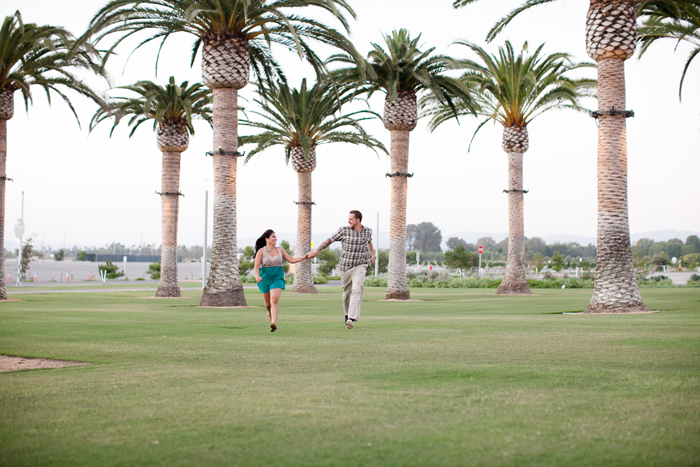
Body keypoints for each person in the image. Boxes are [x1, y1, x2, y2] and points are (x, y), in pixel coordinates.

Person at [307, 210, 375, 329]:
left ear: (358, 220)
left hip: (361, 265)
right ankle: (347, 314)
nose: (348, 221)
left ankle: (351, 318)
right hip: (345, 267)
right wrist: (316, 251)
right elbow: (329, 240)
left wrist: (373, 255)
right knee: (346, 294)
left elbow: (369, 242)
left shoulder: (368, 231)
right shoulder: (344, 230)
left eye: (351, 219)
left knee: (356, 289)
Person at [253, 229, 308, 332]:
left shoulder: (280, 249)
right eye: (273, 237)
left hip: (277, 276)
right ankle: (269, 312)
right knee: (267, 304)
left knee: (274, 299)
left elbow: (291, 260)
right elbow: (256, 267)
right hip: (264, 277)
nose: (275, 238)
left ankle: (273, 323)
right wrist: (257, 276)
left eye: (275, 236)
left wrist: (304, 257)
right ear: (267, 239)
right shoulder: (261, 251)